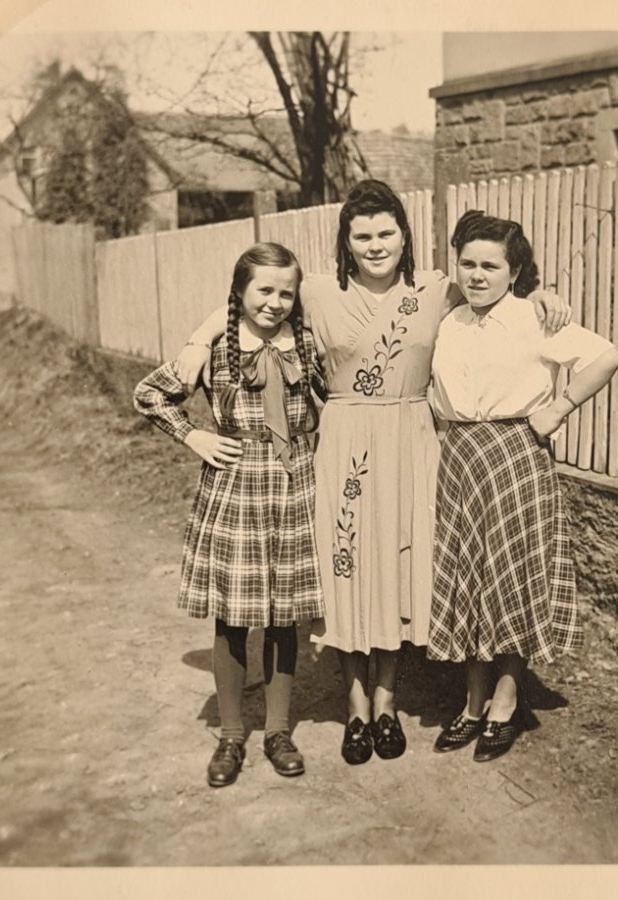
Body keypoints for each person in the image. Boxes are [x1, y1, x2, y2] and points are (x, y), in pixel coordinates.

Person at [175, 180, 571, 766]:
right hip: (343, 442)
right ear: (346, 242)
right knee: (349, 570)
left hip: (413, 443)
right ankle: (356, 708)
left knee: (397, 570)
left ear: (404, 236)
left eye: (386, 232)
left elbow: (496, 290)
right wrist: (198, 339)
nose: (375, 245)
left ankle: (387, 705)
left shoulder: (434, 289)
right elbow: (251, 302)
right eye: (362, 236)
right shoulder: (318, 292)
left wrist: (542, 294)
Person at [428, 210, 618, 762]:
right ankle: (472, 703)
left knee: (511, 576)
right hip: (460, 456)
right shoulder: (449, 320)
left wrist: (559, 407)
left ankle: (506, 702)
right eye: (468, 263)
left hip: (516, 454)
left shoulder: (533, 318)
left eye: (491, 266)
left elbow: (606, 356)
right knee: (469, 576)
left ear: (514, 272)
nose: (477, 275)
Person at [133, 242, 325, 788]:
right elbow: (149, 394)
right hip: (236, 483)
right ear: (239, 291)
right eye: (263, 290)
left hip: (295, 484)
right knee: (234, 615)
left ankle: (279, 731)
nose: (274, 302)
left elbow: (335, 393)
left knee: (286, 614)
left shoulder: (304, 343)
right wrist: (193, 435)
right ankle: (232, 734)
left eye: (286, 293)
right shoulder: (216, 347)